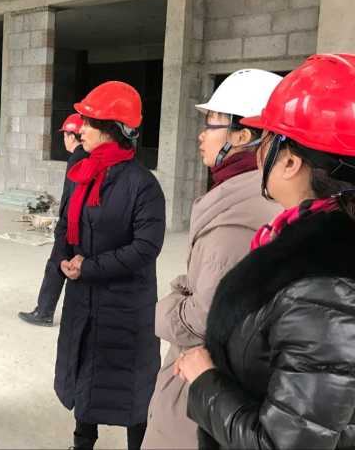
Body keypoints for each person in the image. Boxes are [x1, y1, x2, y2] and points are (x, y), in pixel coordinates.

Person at [178, 54, 355, 449]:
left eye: (268, 139)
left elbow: (285, 443)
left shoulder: (325, 290)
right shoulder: (299, 240)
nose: (260, 154)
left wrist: (205, 381)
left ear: (289, 161)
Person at [141, 69, 282, 449]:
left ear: (243, 135)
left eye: (212, 123)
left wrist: (166, 309)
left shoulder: (237, 218)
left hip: (201, 388)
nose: (202, 134)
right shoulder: (246, 195)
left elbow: (202, 316)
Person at [52, 81, 166, 450]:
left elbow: (145, 248)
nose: (80, 129)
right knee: (85, 372)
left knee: (130, 387)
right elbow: (64, 226)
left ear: (111, 130)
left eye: (88, 123)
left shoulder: (142, 185)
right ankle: (82, 442)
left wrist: (90, 267)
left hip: (125, 306)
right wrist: (64, 260)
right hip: (82, 299)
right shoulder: (82, 172)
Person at [18, 112, 88, 326]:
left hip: (72, 225)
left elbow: (73, 197)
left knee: (56, 264)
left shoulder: (77, 158)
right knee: (71, 266)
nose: (64, 139)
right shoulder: (88, 157)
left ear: (72, 136)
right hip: (82, 224)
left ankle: (44, 312)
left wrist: (63, 225)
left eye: (65, 135)